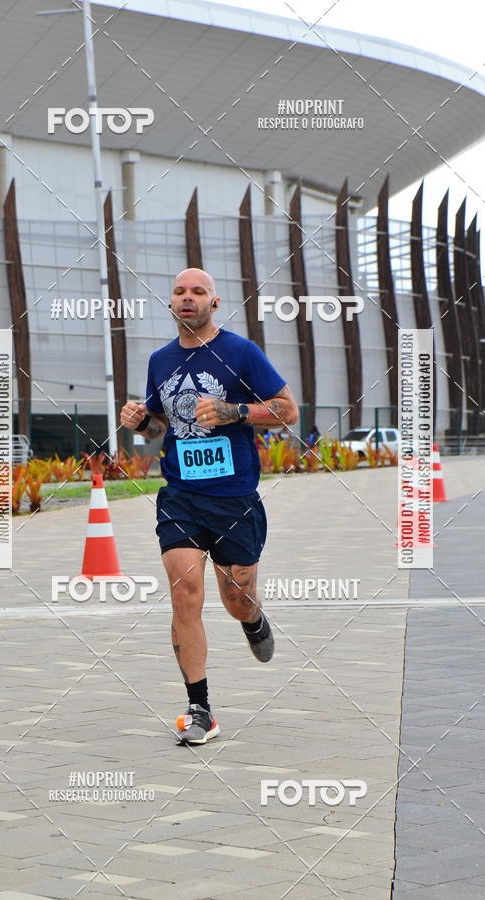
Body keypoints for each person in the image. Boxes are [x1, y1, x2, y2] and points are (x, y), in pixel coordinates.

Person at [120, 268, 298, 745]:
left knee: (236, 595)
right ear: (171, 303)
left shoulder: (240, 352)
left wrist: (236, 411)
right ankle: (200, 709)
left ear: (214, 304)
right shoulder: (160, 360)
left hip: (234, 497)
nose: (187, 297)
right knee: (185, 592)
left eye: (198, 291)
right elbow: (162, 428)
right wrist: (140, 422)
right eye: (179, 291)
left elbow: (287, 409)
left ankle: (253, 618)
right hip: (180, 495)